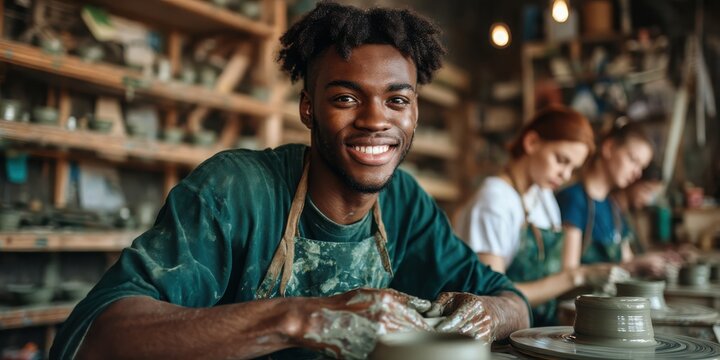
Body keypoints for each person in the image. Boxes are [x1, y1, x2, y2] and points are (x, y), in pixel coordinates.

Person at [50, 2, 530, 359]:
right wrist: (300, 317)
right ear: (308, 108)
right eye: (345, 98)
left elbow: (516, 305)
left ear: (415, 112)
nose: (374, 120)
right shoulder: (235, 189)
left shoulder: (405, 203)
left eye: (396, 101)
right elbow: (99, 334)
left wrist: (487, 314)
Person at [454, 106, 622, 326]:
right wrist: (577, 276)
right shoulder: (494, 200)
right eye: (561, 160)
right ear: (532, 142)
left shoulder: (543, 196)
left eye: (573, 168)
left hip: (536, 326)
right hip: (500, 332)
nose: (566, 174)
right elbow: (494, 297)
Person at [557, 123, 668, 277]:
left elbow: (627, 260)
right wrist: (631, 266)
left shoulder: (613, 207)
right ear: (608, 148)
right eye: (633, 160)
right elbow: (568, 274)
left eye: (641, 167)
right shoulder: (574, 199)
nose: (637, 173)